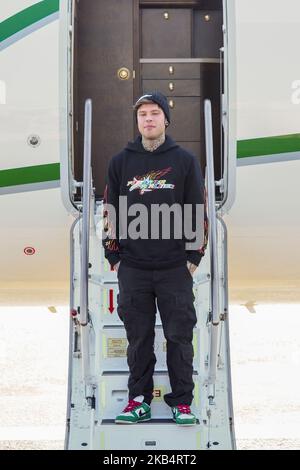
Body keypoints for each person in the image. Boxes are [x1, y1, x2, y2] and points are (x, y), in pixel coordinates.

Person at [102, 91, 208, 426]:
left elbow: (197, 207)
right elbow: (110, 210)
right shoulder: (121, 161)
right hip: (134, 267)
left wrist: (193, 256)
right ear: (137, 122)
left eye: (154, 113)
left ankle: (182, 403)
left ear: (166, 119)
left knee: (179, 336)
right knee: (139, 338)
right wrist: (113, 255)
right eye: (142, 114)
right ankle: (138, 401)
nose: (148, 119)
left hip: (174, 267)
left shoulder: (184, 160)